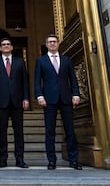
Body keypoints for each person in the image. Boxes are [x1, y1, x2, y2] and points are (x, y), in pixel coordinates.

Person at [34, 34, 82, 170]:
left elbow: (72, 79)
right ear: (46, 44)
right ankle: (51, 161)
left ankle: (73, 160)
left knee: (70, 130)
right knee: (50, 131)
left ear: (58, 44)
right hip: (49, 99)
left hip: (66, 98)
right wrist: (39, 96)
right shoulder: (41, 61)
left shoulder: (66, 60)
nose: (52, 44)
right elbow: (37, 80)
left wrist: (76, 94)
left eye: (54, 42)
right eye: (50, 42)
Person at [0, 38, 30, 168]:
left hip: (18, 101)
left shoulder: (20, 62)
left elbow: (25, 81)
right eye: (3, 45)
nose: (6, 46)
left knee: (19, 131)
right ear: (0, 48)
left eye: (8, 44)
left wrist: (26, 98)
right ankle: (2, 159)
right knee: (2, 132)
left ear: (12, 47)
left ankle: (20, 159)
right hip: (1, 102)